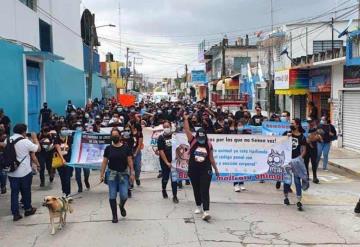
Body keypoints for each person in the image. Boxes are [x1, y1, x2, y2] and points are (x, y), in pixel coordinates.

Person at [183, 113, 219, 221]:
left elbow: (211, 158)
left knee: (204, 189)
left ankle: (206, 210)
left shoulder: (208, 144)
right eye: (200, 138)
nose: (201, 140)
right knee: (196, 188)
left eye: (203, 138)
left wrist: (216, 169)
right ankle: (198, 205)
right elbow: (186, 130)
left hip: (205, 169)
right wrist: (185, 119)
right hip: (194, 169)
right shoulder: (193, 140)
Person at [100, 128, 135, 223]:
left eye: (116, 135)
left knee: (124, 195)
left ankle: (121, 206)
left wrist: (132, 172)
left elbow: (130, 161)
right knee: (112, 195)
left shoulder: (126, 148)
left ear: (120, 136)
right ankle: (114, 216)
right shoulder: (108, 148)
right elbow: (104, 162)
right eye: (113, 135)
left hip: (123, 174)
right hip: (111, 175)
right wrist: (102, 174)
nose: (114, 137)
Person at [7, 124, 40, 221]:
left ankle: (15, 214)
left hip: (12, 172)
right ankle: (28, 209)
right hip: (24, 171)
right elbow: (38, 149)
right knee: (26, 191)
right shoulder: (25, 141)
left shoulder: (8, 139)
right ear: (24, 131)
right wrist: (35, 138)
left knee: (14, 193)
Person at [283, 119, 307, 211]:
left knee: (297, 181)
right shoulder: (286, 133)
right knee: (287, 180)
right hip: (287, 161)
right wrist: (286, 137)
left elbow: (304, 150)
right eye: (290, 123)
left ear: (297, 125)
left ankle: (299, 201)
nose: (291, 125)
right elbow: (279, 143)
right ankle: (286, 197)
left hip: (296, 162)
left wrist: (299, 158)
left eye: (292, 123)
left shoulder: (302, 137)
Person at [157, 121, 178, 203]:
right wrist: (166, 162)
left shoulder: (174, 136)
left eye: (167, 126)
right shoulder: (160, 137)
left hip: (174, 161)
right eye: (165, 127)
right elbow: (161, 151)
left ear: (170, 126)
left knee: (174, 179)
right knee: (165, 177)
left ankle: (175, 196)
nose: (166, 128)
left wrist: (176, 158)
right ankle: (164, 189)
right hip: (164, 161)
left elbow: (178, 147)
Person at [54, 126, 73, 197]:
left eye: (66, 129)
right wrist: (63, 159)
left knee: (67, 177)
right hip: (60, 161)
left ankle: (68, 193)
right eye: (63, 129)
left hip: (68, 161)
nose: (64, 130)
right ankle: (64, 191)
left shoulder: (70, 138)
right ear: (60, 131)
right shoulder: (56, 139)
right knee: (62, 177)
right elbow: (58, 150)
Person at [305, 118, 321, 184]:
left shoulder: (317, 129)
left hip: (313, 148)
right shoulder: (305, 130)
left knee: (314, 162)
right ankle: (307, 176)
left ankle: (315, 177)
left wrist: (316, 136)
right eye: (308, 122)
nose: (310, 123)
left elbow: (320, 138)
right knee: (306, 162)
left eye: (311, 122)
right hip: (306, 148)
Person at [0, 124, 8, 194]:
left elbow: (5, 145)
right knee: (2, 171)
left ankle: (3, 186)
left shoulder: (5, 137)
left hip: (2, 155)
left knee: (2, 171)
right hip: (2, 155)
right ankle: (3, 186)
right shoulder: (5, 137)